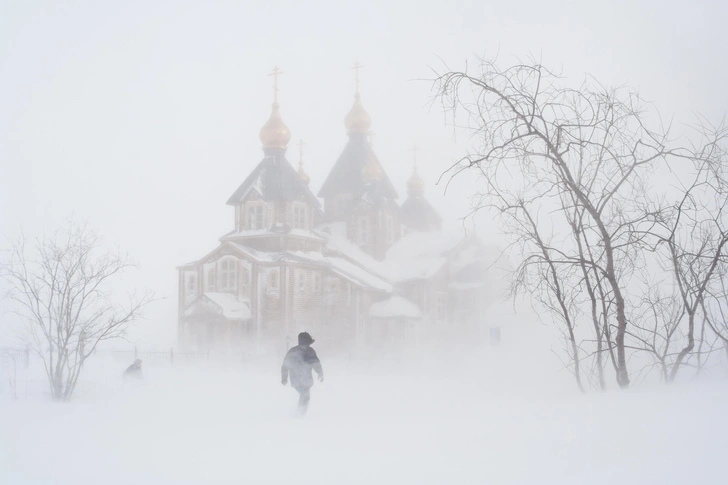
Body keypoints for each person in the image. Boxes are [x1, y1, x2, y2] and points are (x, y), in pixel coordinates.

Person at [281, 332, 324, 416]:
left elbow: (285, 366)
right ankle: (300, 415)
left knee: (304, 395)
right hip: (306, 378)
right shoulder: (309, 350)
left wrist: (284, 378)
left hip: (295, 378)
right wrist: (320, 374)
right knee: (305, 395)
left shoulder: (292, 351)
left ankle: (300, 414)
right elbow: (316, 363)